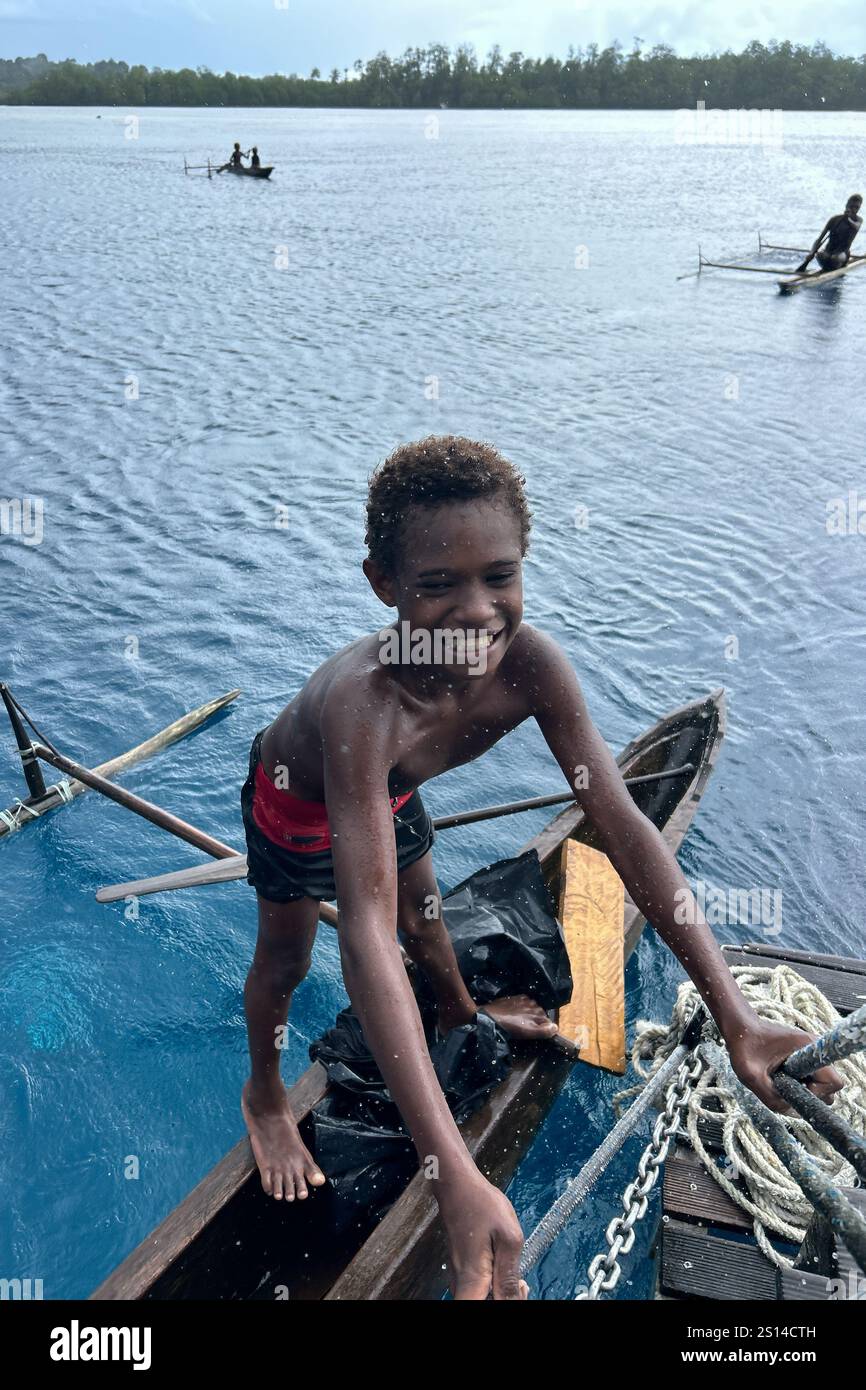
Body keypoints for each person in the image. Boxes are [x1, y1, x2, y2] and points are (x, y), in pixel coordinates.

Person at [239, 435, 843, 1300]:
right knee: (291, 960)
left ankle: (460, 1013)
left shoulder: (532, 666)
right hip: (298, 802)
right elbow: (363, 933)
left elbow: (626, 829)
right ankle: (263, 1095)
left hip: (390, 794)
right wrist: (451, 1172)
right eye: (437, 585)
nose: (477, 613)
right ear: (382, 586)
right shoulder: (362, 704)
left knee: (430, 919)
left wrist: (736, 1014)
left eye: (499, 576)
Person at [797, 194, 863, 273]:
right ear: (847, 205)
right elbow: (819, 239)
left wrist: (848, 218)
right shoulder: (834, 219)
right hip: (828, 252)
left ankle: (833, 265)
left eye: (857, 207)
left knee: (835, 258)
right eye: (852, 206)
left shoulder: (858, 220)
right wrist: (811, 253)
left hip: (841, 254)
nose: (854, 209)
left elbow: (856, 227)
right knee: (820, 255)